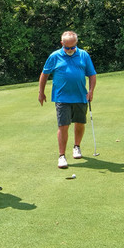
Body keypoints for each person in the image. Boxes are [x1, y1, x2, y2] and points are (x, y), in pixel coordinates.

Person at [38, 31, 97, 168]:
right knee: (63, 126)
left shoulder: (83, 55)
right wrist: (41, 92)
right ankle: (62, 156)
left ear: (76, 44)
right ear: (62, 44)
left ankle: (76, 147)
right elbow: (44, 74)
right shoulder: (54, 56)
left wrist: (91, 91)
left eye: (72, 47)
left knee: (80, 123)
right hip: (62, 97)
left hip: (80, 96)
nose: (70, 50)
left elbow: (92, 75)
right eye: (67, 47)